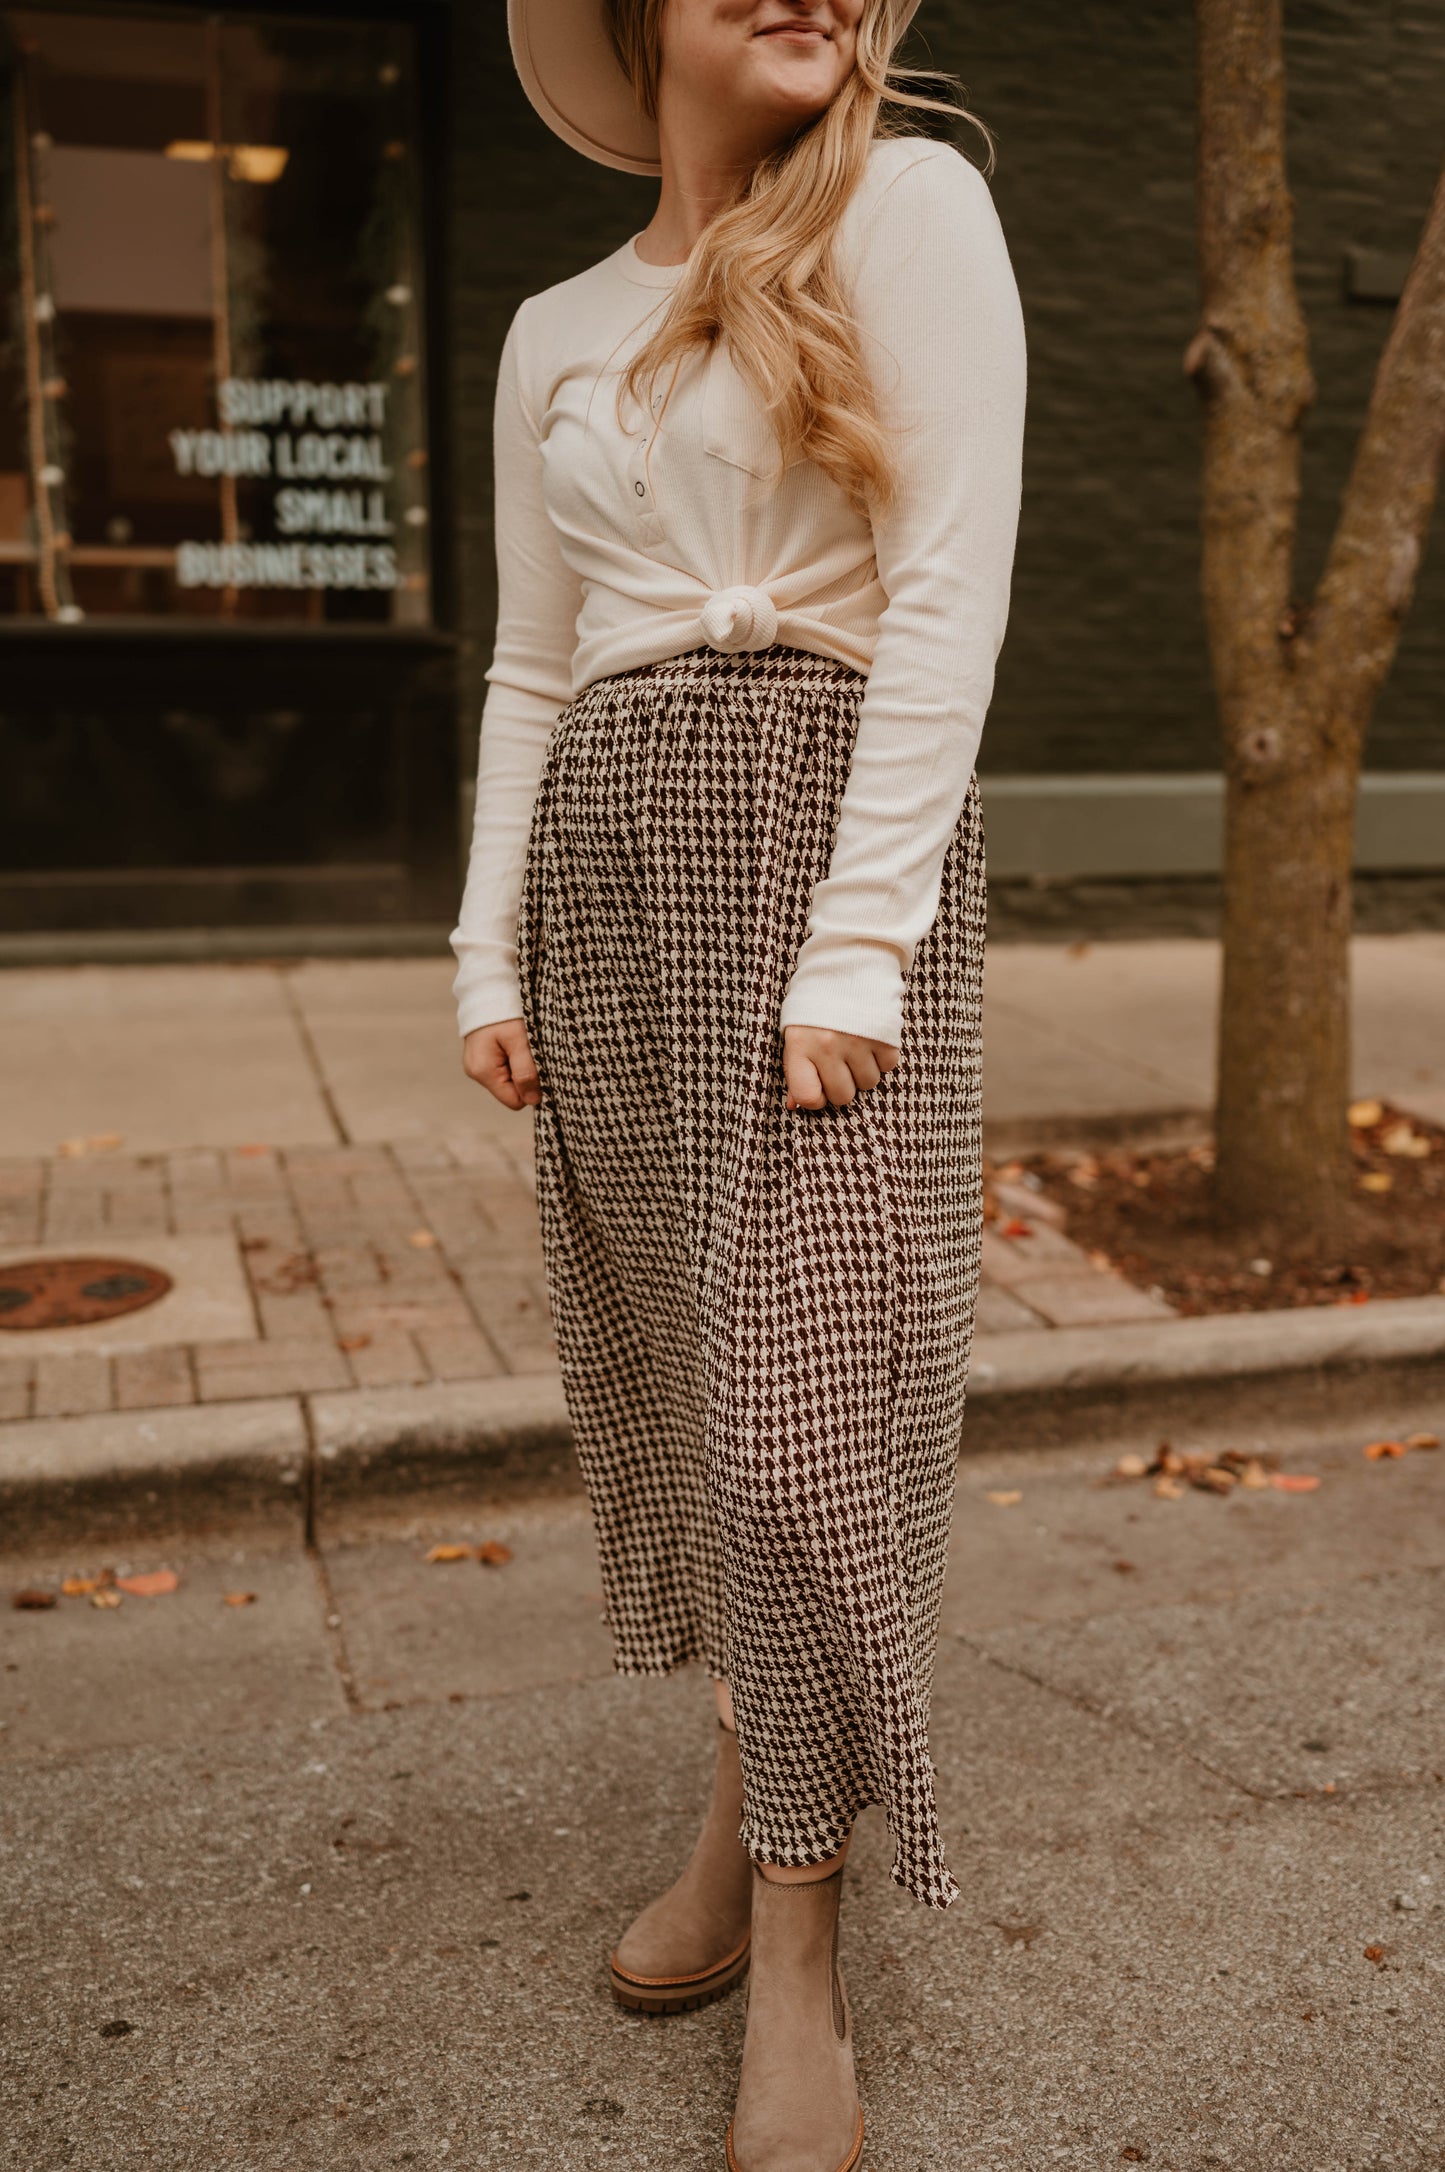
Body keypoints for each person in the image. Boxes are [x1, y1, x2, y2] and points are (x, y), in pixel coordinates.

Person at [451, 2, 1026, 2163]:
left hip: (822, 855)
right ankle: (743, 1824)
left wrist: (863, 931)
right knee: (700, 1408)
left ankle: (799, 1943)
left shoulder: (910, 209)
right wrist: (480, 937)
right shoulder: (550, 325)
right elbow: (529, 654)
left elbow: (951, 592)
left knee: (804, 1428)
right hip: (610, 880)